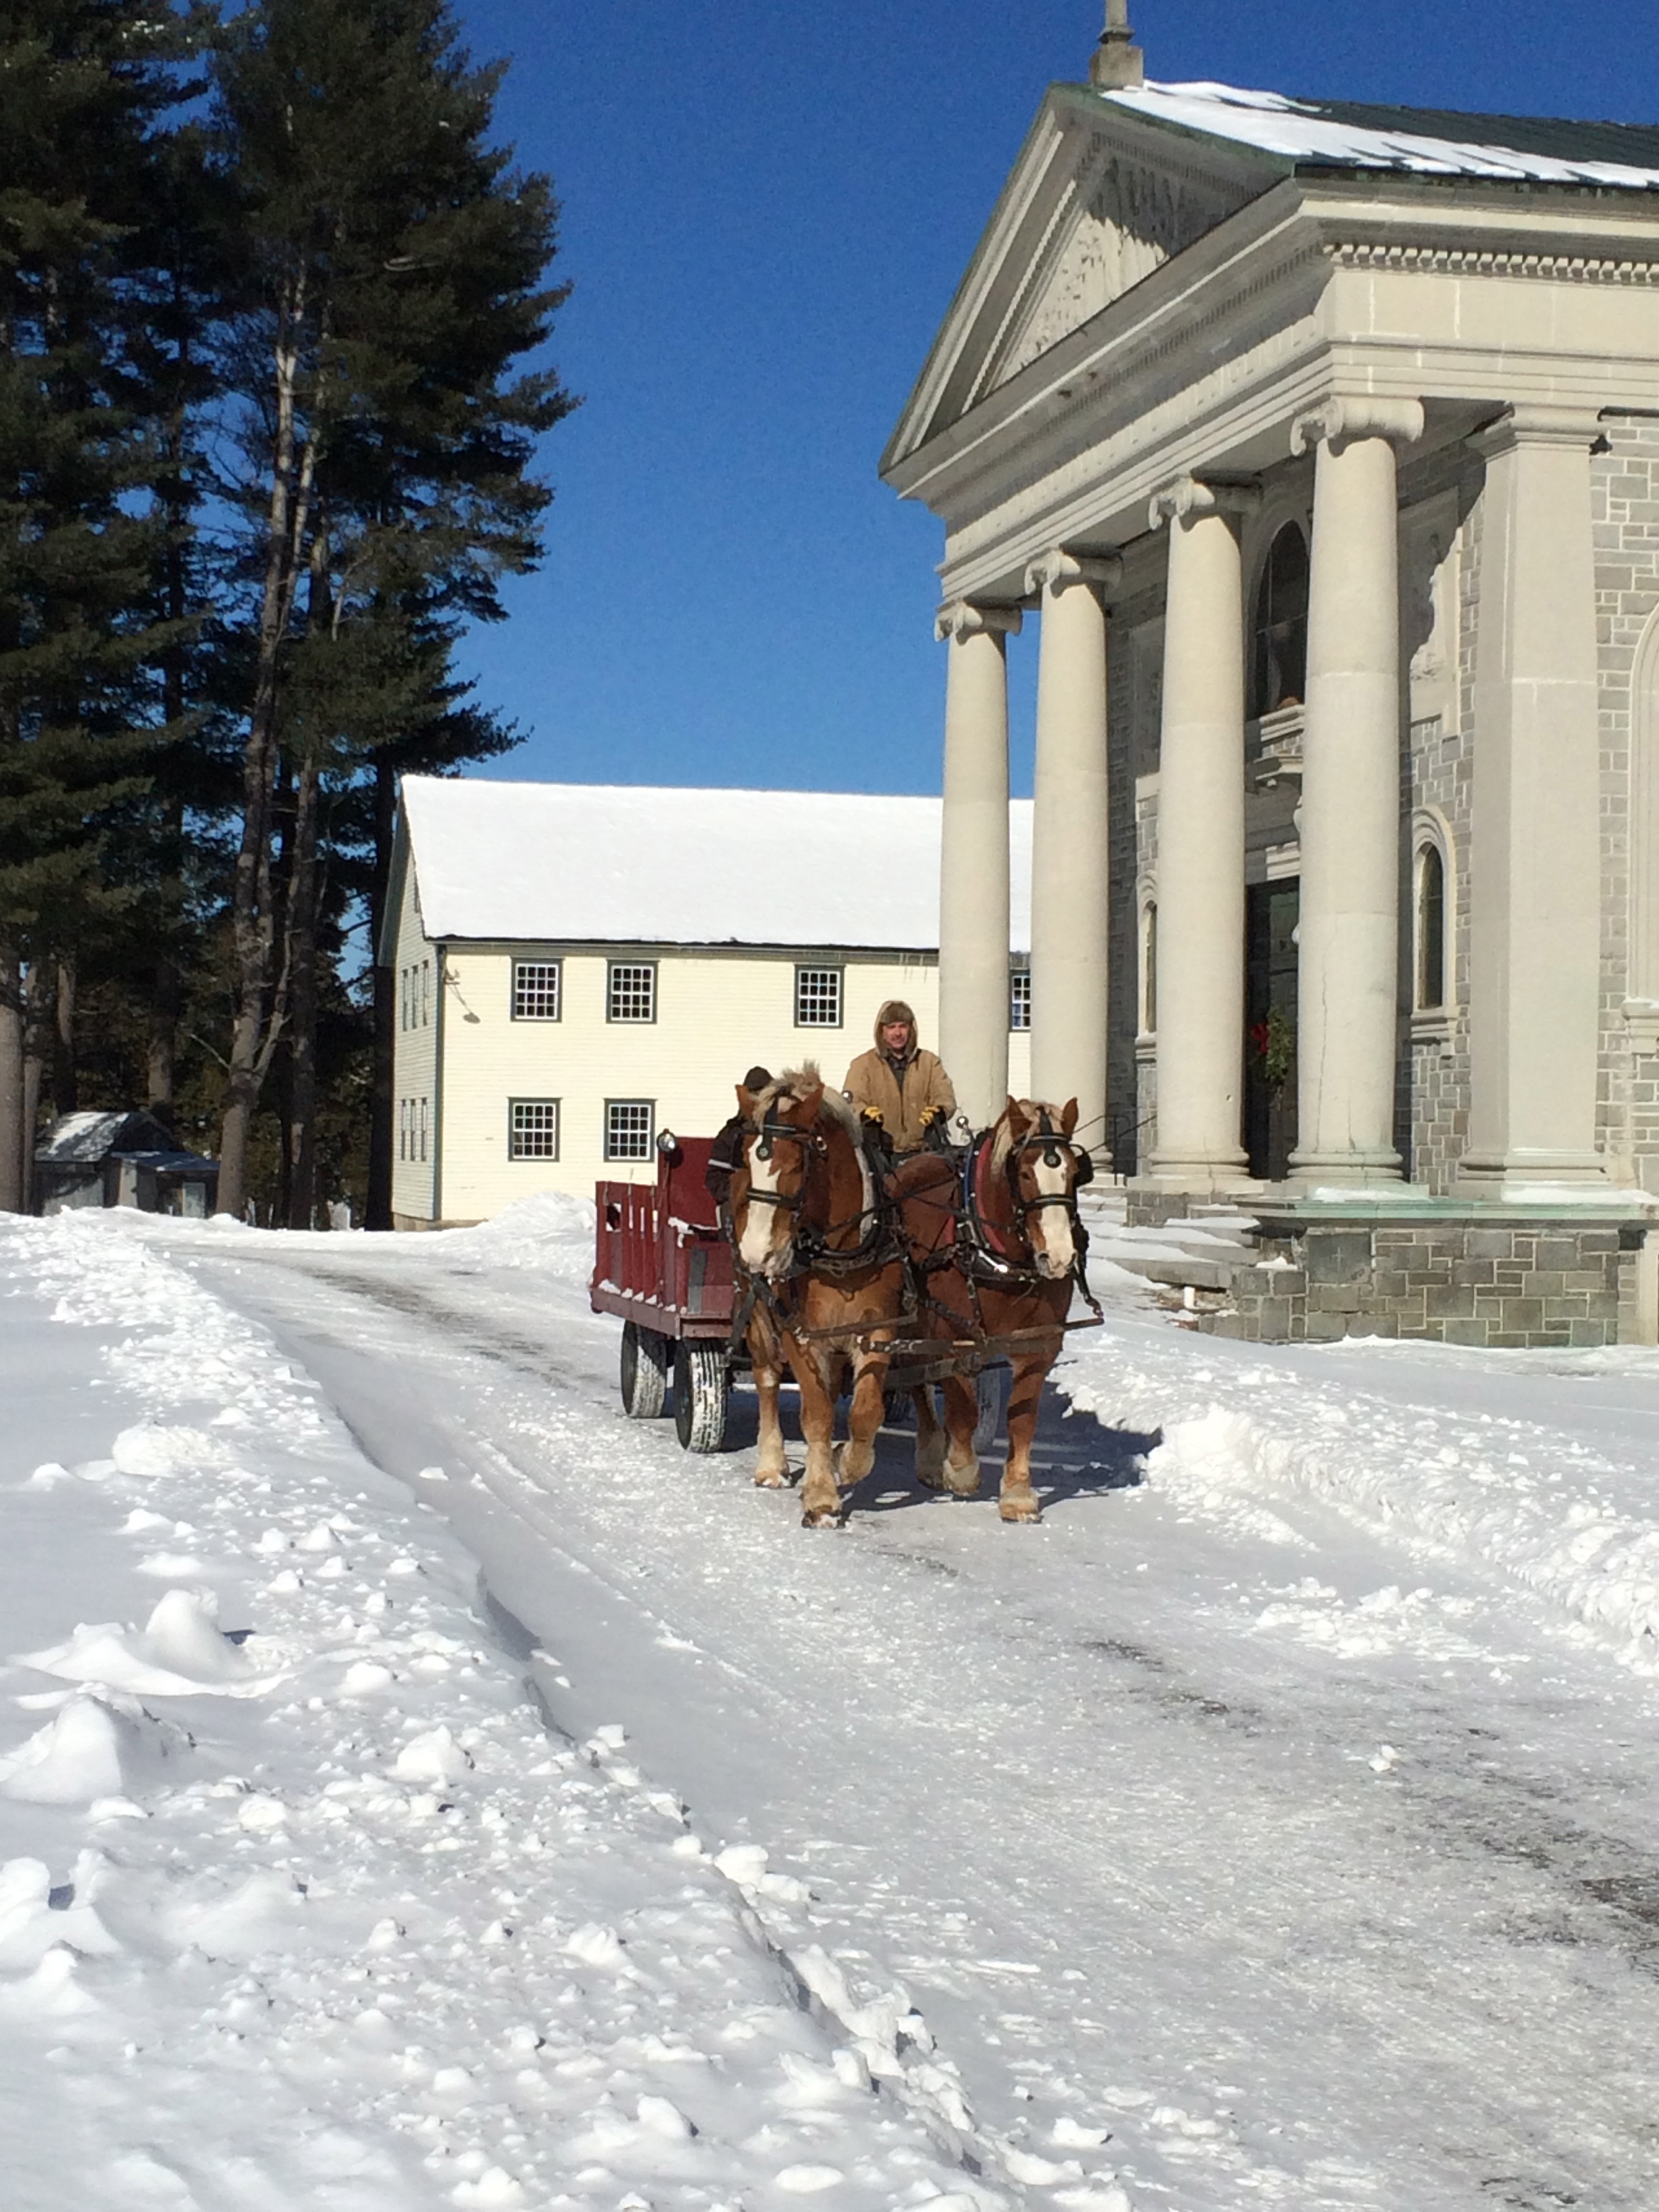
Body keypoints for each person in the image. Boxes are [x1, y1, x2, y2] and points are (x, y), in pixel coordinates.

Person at [842, 1000, 956, 1156]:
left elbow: (945, 1097)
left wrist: (939, 1112)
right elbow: (851, 1102)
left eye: (903, 1026)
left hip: (924, 1152)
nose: (897, 1033)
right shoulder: (862, 1065)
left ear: (911, 1029)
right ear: (881, 1031)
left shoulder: (930, 1062)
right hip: (878, 1153)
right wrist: (864, 1115)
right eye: (891, 1027)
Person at [705, 1065, 773, 1210]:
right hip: (741, 1207)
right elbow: (715, 1178)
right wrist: (740, 1193)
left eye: (765, 1095)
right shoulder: (732, 1133)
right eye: (755, 1095)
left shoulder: (785, 1133)